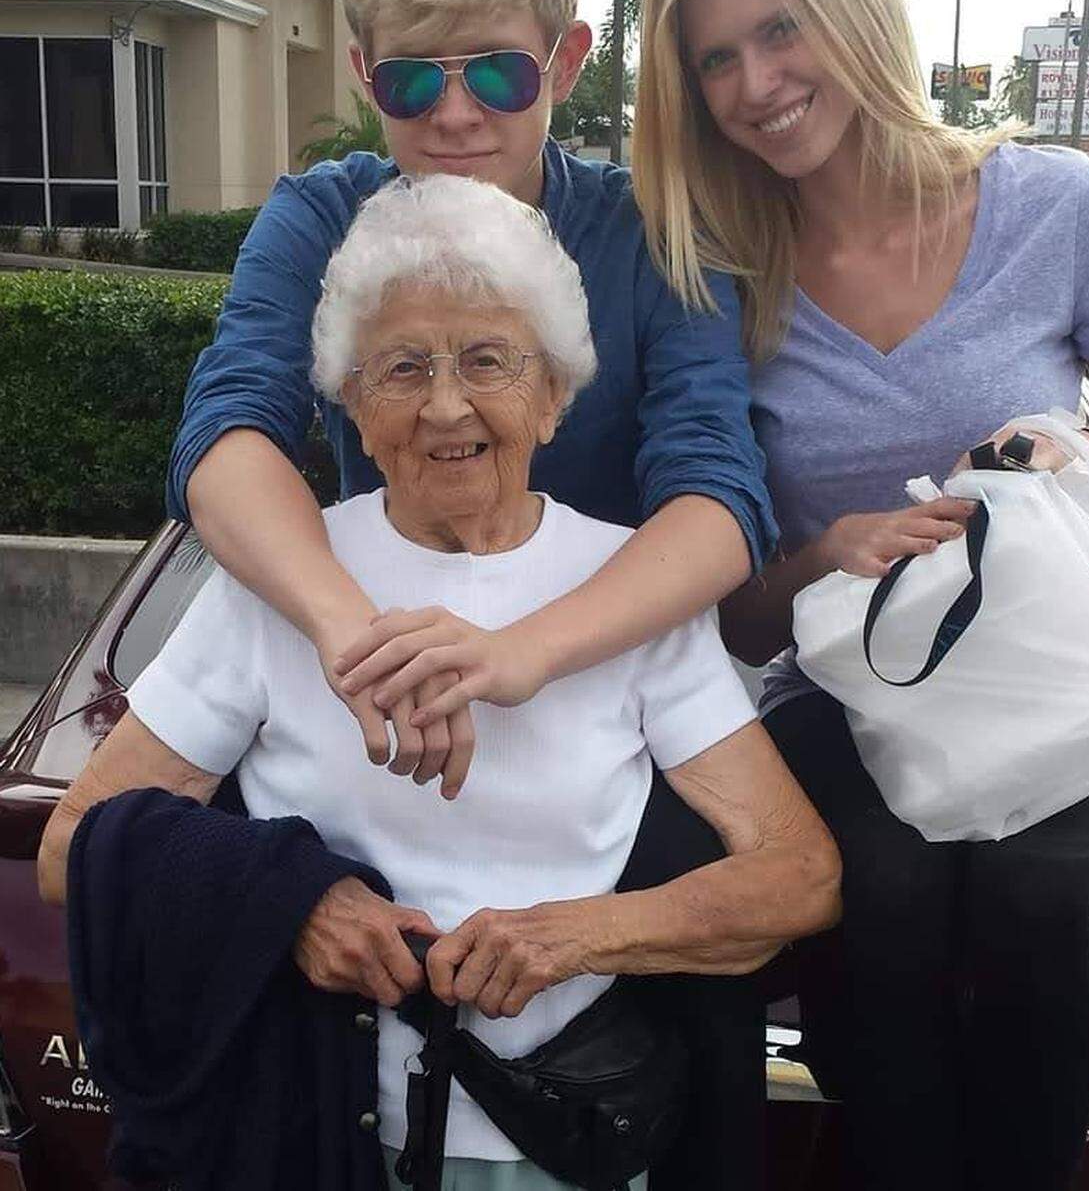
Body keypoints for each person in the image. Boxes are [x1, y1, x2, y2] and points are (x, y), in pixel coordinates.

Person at [39, 175, 841, 1191]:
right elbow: (76, 847)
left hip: (561, 1140)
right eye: (403, 366)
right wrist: (295, 904)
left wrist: (574, 937)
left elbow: (798, 871)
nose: (446, 403)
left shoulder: (628, 590)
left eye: (488, 360)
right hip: (314, 1130)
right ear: (355, 409)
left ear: (552, 395)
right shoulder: (281, 583)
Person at [633, 0, 1089, 1191]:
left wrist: (1078, 453)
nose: (755, 87)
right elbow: (743, 609)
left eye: (779, 29)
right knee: (886, 896)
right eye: (717, 61)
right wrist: (826, 551)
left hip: (1049, 668)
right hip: (858, 686)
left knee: (1035, 898)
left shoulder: (1064, 208)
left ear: (855, 2)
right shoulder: (721, 285)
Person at [166, 0, 775, 789]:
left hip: (608, 686)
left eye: (498, 76)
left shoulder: (652, 238)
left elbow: (717, 498)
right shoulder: (319, 218)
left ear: (564, 61)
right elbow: (230, 431)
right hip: (384, 683)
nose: (454, 115)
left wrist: (522, 650)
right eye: (413, 79)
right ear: (366, 73)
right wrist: (350, 634)